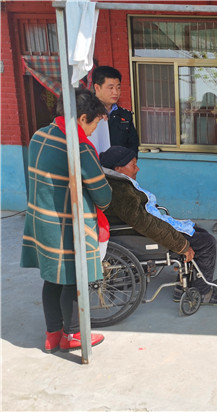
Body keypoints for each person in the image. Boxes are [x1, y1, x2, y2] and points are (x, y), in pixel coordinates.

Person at [21, 89, 112, 353]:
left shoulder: (39, 136)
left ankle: (53, 335)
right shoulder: (79, 147)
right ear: (82, 118)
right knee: (74, 280)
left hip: (41, 221)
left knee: (52, 278)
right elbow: (103, 195)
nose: (93, 131)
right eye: (94, 124)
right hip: (67, 225)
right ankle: (73, 334)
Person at [98, 146, 217, 305]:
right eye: (133, 165)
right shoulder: (120, 191)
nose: (137, 169)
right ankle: (202, 293)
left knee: (197, 231)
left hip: (140, 228)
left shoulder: (114, 182)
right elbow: (145, 224)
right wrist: (181, 245)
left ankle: (183, 287)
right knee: (206, 243)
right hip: (137, 236)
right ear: (118, 168)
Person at [90, 66, 139, 154]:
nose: (116, 92)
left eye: (118, 87)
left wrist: (129, 160)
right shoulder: (86, 112)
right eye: (111, 88)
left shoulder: (125, 115)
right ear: (97, 87)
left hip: (120, 162)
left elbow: (133, 145)